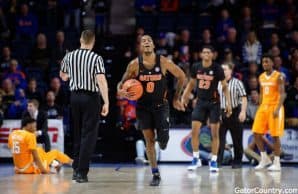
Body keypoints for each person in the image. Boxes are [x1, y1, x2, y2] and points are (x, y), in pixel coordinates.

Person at [117, 35, 185, 186]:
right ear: (141, 47)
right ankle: (155, 173)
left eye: (149, 41)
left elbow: (181, 76)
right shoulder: (134, 65)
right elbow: (120, 84)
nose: (146, 43)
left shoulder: (164, 62)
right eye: (143, 41)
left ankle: (163, 139)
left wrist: (176, 98)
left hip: (161, 106)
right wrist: (121, 91)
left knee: (163, 142)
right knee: (149, 140)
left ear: (153, 46)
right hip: (143, 107)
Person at [60, 30, 109, 183]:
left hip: (74, 98)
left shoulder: (69, 56)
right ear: (93, 42)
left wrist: (70, 73)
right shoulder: (96, 58)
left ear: (81, 39)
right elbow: (101, 80)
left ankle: (76, 170)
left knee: (77, 134)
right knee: (89, 134)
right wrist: (106, 101)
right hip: (91, 98)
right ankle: (81, 172)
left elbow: (63, 76)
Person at [181, 45, 232, 172]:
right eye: (204, 52)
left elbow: (225, 87)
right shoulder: (196, 67)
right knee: (194, 131)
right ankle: (195, 158)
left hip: (214, 103)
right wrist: (184, 96)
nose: (206, 54)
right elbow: (191, 83)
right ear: (201, 54)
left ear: (212, 55)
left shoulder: (217, 68)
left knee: (215, 133)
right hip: (200, 102)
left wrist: (228, 103)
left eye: (209, 52)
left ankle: (214, 160)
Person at [252, 54, 286, 171]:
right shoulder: (261, 77)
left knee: (275, 135)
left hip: (275, 107)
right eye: (263, 62)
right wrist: (260, 106)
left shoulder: (279, 76)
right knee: (256, 133)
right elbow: (261, 93)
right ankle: (264, 158)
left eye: (267, 62)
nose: (265, 64)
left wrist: (277, 109)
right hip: (264, 107)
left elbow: (282, 94)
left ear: (272, 63)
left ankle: (277, 163)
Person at [8, 117, 72, 174]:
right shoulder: (30, 136)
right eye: (35, 127)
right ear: (28, 125)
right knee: (55, 152)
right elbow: (36, 158)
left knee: (39, 150)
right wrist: (44, 171)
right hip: (29, 168)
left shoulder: (13, 134)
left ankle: (56, 164)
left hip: (18, 169)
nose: (36, 129)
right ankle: (72, 163)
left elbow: (12, 148)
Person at [217, 63, 247, 168]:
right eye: (221, 69)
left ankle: (238, 161)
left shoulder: (237, 83)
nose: (223, 71)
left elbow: (244, 98)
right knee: (219, 139)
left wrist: (243, 111)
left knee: (237, 139)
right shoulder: (218, 83)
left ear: (231, 71)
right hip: (221, 112)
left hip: (235, 112)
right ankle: (217, 161)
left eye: (225, 69)